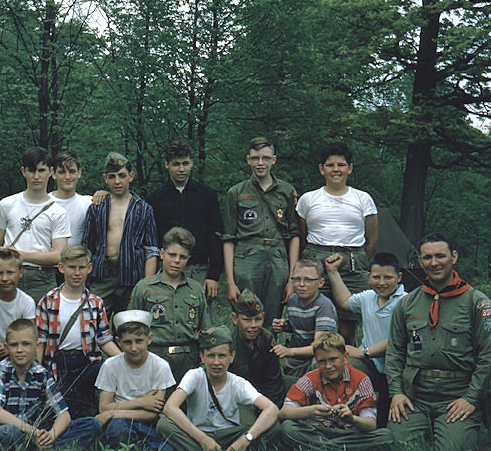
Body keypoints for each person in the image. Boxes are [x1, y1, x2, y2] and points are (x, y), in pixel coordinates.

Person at [386, 233, 491, 451]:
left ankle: (454, 428)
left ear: (453, 257)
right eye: (427, 257)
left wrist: (471, 398)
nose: (434, 263)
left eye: (440, 256)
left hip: (456, 395)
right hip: (415, 396)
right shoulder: (407, 303)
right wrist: (396, 393)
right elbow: (394, 352)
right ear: (419, 261)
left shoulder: (476, 302)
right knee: (398, 448)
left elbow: (489, 355)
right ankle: (425, 427)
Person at [156, 326, 281, 451]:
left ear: (231, 357)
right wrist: (202, 438)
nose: (216, 362)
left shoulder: (238, 383)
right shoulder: (195, 376)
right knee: (164, 424)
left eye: (222, 356)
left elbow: (272, 409)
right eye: (211, 356)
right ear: (202, 356)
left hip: (230, 435)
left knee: (273, 426)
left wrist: (245, 440)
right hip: (198, 433)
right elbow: (170, 407)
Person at [296, 142, 378, 346]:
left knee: (347, 329)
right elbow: (302, 234)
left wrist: (356, 260)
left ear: (349, 168)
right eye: (330, 165)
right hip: (316, 261)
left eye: (341, 165)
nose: (336, 170)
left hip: (352, 263)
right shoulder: (308, 199)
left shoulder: (363, 198)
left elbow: (372, 239)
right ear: (321, 168)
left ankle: (347, 374)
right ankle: (312, 374)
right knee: (316, 324)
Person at [0, 318, 102, 451]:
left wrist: (50, 436)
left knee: (91, 425)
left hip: (37, 433)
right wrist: (33, 432)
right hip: (12, 433)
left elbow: (64, 414)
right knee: (7, 433)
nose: (20, 350)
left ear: (37, 346)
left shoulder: (42, 374)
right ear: (6, 347)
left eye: (26, 344)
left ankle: (42, 448)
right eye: (14, 345)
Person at [222, 136, 299, 328]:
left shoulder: (287, 191)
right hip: (246, 258)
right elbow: (229, 238)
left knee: (271, 319)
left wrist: (292, 278)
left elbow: (294, 236)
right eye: (255, 158)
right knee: (245, 316)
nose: (260, 163)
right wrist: (230, 282)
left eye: (265, 158)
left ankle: (269, 356)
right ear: (248, 160)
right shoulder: (236, 193)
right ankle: (242, 357)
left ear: (274, 160)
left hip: (277, 258)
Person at [36, 244, 120, 418]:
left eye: (81, 268)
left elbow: (104, 339)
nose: (76, 273)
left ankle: (94, 424)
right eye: (72, 267)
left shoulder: (95, 302)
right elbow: (41, 341)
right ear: (61, 268)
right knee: (63, 408)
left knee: (88, 402)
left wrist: (123, 360)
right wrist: (37, 369)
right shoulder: (48, 301)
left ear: (89, 268)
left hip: (86, 360)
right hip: (59, 361)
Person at [325, 251, 407, 427]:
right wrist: (333, 272)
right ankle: (338, 417)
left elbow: (399, 338)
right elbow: (345, 301)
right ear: (369, 276)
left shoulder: (405, 301)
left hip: (396, 368)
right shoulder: (368, 297)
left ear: (399, 277)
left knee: (386, 421)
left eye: (388, 277)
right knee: (346, 366)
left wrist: (364, 352)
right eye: (376, 277)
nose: (382, 283)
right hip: (371, 365)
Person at [279, 333, 391, 451]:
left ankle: (323, 450)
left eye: (333, 359)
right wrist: (309, 412)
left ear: (345, 357)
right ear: (316, 361)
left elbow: (371, 424)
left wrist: (352, 419)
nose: (328, 366)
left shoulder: (361, 380)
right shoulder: (310, 379)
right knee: (288, 428)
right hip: (318, 431)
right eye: (322, 361)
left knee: (385, 436)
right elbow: (283, 413)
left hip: (350, 434)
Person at [128, 227, 210, 383]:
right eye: (172, 255)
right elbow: (132, 329)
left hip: (189, 357)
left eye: (183, 257)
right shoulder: (144, 287)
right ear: (162, 254)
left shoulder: (196, 289)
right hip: (156, 356)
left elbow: (204, 329)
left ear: (188, 259)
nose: (177, 261)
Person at [82, 152, 159, 319]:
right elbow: (86, 246)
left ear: (131, 177)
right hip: (102, 275)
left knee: (129, 326)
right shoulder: (97, 207)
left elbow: (151, 250)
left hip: (132, 276)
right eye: (112, 176)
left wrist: (147, 285)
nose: (117, 181)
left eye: (122, 176)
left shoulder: (144, 209)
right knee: (92, 321)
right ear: (105, 178)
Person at [0, 147, 70, 305]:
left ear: (50, 172)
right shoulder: (7, 204)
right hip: (7, 275)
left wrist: (20, 254)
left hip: (42, 279)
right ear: (23, 171)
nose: (36, 176)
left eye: (41, 170)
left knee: (42, 327)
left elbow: (59, 255)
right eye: (31, 170)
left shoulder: (58, 212)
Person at [94, 310, 177, 451]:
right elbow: (103, 407)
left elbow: (153, 412)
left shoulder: (160, 366)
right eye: (127, 342)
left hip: (149, 424)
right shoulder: (111, 366)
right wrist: (142, 402)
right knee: (118, 429)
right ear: (118, 342)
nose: (133, 348)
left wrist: (112, 412)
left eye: (139, 341)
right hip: (120, 423)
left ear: (149, 339)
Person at [146, 140, 223, 300]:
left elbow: (215, 236)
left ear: (192, 163)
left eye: (185, 163)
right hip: (166, 268)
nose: (181, 169)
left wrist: (213, 275)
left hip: (199, 269)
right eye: (176, 164)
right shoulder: (155, 198)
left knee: (200, 319)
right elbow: (151, 240)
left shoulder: (207, 195)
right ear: (167, 164)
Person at [271, 258, 338, 381]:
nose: (301, 284)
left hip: (318, 357)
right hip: (297, 358)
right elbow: (299, 327)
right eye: (296, 279)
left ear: (321, 282)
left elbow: (320, 346)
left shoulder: (324, 306)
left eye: (308, 280)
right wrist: (285, 326)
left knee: (317, 366)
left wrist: (289, 351)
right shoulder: (293, 300)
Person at [229, 289, 287, 409]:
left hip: (262, 392)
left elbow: (273, 379)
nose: (253, 326)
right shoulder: (227, 343)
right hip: (236, 399)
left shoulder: (266, 337)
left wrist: (273, 409)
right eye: (247, 320)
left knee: (295, 384)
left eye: (258, 319)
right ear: (235, 319)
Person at [0, 248, 36, 357]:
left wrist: (9, 348)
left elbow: (28, 336)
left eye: (10, 273)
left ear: (21, 273)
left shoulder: (27, 302)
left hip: (15, 351)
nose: (4, 278)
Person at [49, 150, 93, 246]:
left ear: (79, 173)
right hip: (48, 259)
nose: (67, 177)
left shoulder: (89, 203)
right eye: (62, 172)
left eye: (72, 172)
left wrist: (103, 194)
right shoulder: (44, 203)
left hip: (78, 259)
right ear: (53, 173)